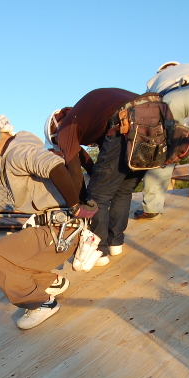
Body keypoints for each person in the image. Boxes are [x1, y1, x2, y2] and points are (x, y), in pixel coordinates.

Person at [0, 111, 87, 330]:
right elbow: (69, 161)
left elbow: (53, 166)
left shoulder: (16, 152)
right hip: (62, 231)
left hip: (57, 232)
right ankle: (51, 281)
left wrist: (75, 206)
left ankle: (41, 303)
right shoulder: (24, 146)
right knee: (14, 255)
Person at [46, 87, 145, 263]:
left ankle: (98, 251)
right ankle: (116, 244)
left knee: (97, 196)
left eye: (56, 142)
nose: (59, 146)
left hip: (125, 123)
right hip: (150, 125)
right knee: (122, 189)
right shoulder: (89, 120)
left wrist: (78, 204)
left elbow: (75, 172)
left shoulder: (65, 129)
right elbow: (91, 163)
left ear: (55, 130)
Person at [136, 62, 189, 220]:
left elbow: (149, 103)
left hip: (169, 97)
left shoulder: (154, 80)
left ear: (161, 70)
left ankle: (152, 208)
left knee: (163, 150)